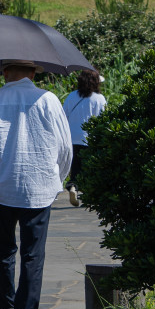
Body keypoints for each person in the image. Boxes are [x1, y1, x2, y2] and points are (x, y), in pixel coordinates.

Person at [0, 59, 73, 309]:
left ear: (5, 73)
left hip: (2, 187)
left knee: (4, 251)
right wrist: (59, 180)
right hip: (39, 187)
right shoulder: (49, 99)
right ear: (33, 74)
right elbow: (65, 147)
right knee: (33, 255)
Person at [61, 68, 107, 206]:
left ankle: (73, 186)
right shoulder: (99, 99)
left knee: (75, 166)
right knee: (89, 167)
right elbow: (103, 119)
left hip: (72, 138)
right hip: (90, 138)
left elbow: (63, 116)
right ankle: (88, 193)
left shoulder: (71, 96)